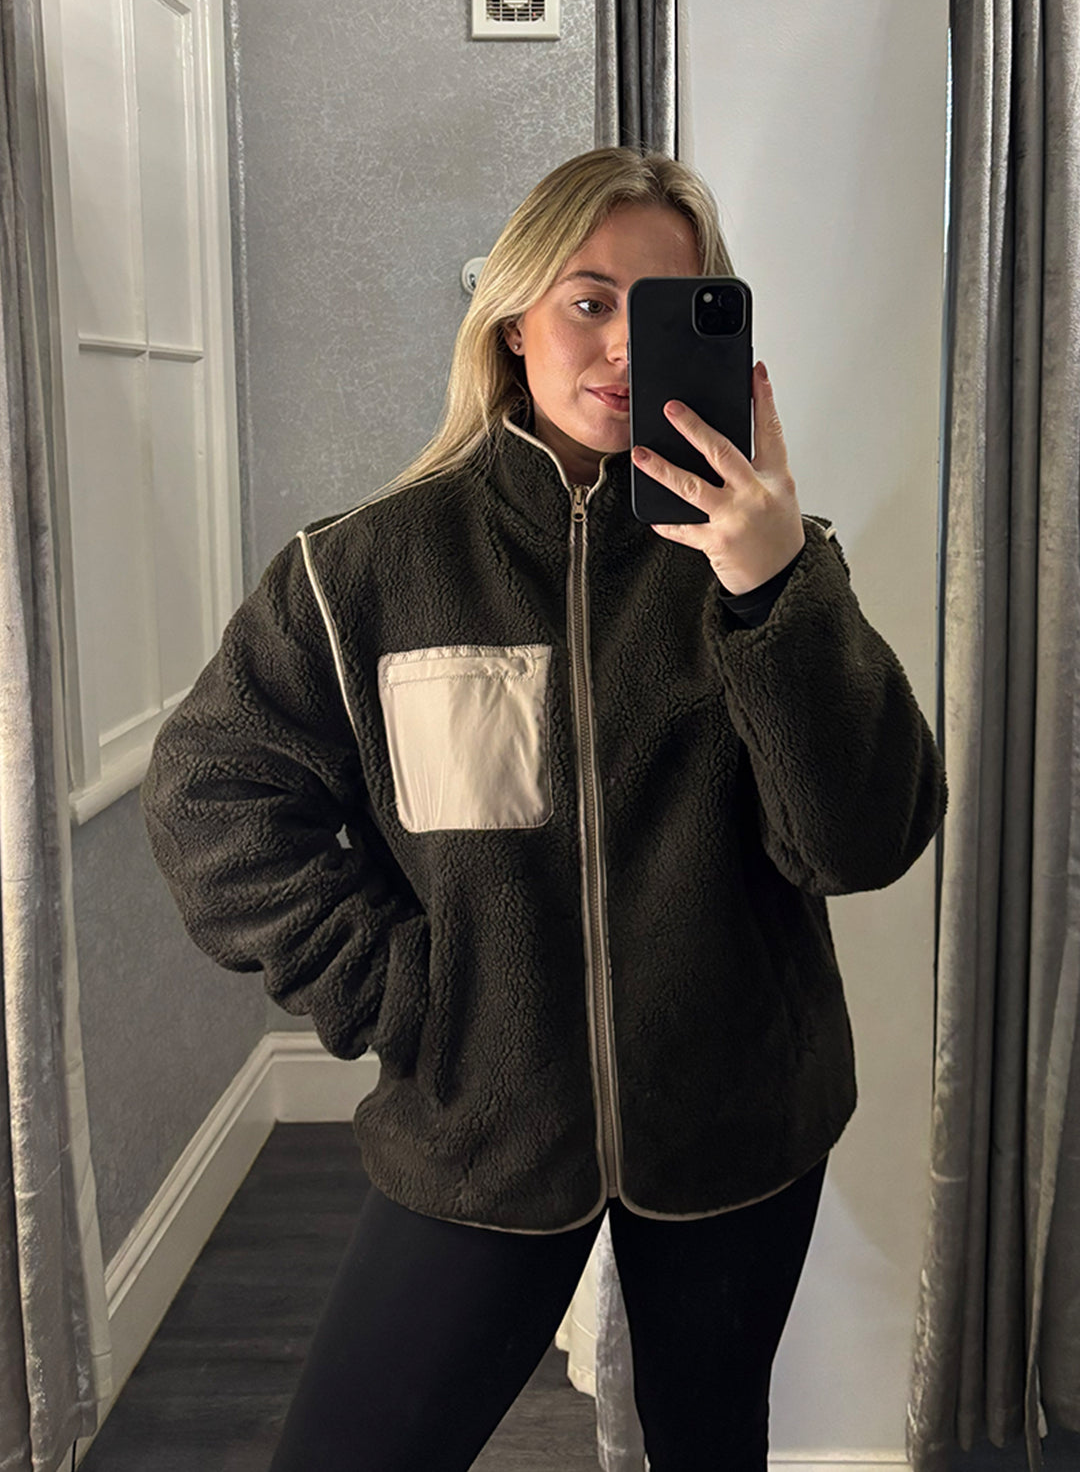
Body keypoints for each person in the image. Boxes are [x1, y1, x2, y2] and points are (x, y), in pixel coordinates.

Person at [140, 146, 949, 1470]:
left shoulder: (768, 567)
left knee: (709, 1446)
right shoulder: (364, 569)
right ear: (513, 321)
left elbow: (864, 840)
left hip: (737, 1121)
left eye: (665, 305)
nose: (624, 344)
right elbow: (211, 792)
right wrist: (403, 990)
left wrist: (770, 588)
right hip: (482, 1125)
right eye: (588, 300)